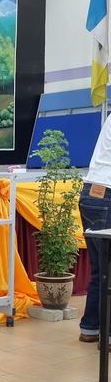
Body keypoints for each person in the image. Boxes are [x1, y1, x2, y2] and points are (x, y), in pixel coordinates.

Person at [79, 114, 111, 344]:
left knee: (101, 269)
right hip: (106, 194)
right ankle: (108, 334)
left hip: (92, 193)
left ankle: (90, 327)